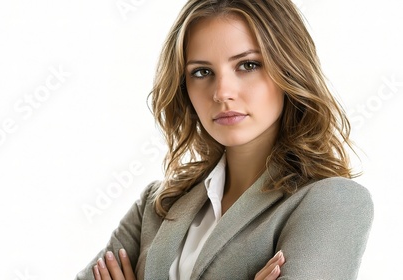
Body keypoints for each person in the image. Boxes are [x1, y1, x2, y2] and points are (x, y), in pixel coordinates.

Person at [76, 0, 374, 279]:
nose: (221, 92)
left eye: (247, 65)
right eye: (202, 72)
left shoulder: (333, 203)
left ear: (289, 69)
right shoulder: (157, 205)